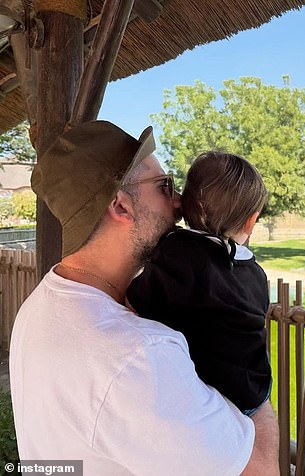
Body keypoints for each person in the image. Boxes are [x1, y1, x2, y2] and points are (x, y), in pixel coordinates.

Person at [9, 121, 279, 475]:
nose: (181, 202)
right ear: (121, 206)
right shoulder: (136, 355)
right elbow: (259, 468)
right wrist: (256, 392)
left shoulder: (43, 303)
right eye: (165, 186)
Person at [127, 151, 271, 416]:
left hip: (208, 388)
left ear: (183, 203)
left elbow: (136, 302)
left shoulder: (177, 252)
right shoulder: (255, 273)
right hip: (254, 389)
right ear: (251, 221)